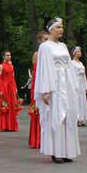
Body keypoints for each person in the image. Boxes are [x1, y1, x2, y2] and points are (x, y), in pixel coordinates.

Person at [35, 18, 81, 163]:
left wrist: (73, 85)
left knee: (68, 115)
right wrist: (46, 90)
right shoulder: (45, 47)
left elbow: (69, 65)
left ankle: (68, 151)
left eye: (62, 27)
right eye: (58, 27)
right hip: (54, 85)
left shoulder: (63, 46)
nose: (61, 29)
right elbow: (44, 69)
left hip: (65, 83)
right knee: (56, 116)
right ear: (51, 29)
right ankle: (56, 151)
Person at [28, 31, 49, 148]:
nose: (47, 41)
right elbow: (36, 73)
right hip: (38, 84)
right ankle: (37, 138)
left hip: (47, 84)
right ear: (39, 41)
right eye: (45, 39)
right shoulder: (37, 54)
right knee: (38, 110)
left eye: (48, 39)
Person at [0, 51, 20, 131]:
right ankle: (4, 125)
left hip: (11, 87)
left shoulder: (11, 66)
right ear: (3, 56)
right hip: (4, 87)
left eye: (10, 55)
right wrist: (1, 89)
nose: (9, 56)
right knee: (5, 105)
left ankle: (11, 126)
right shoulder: (1, 66)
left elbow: (13, 78)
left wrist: (15, 88)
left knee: (12, 105)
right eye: (7, 55)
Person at [70, 47, 87, 126]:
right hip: (75, 83)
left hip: (81, 83)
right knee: (76, 101)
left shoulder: (81, 63)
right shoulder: (72, 63)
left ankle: (82, 118)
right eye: (78, 51)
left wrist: (86, 86)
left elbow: (84, 76)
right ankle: (76, 118)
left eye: (80, 51)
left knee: (82, 101)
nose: (80, 52)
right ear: (74, 53)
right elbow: (71, 75)